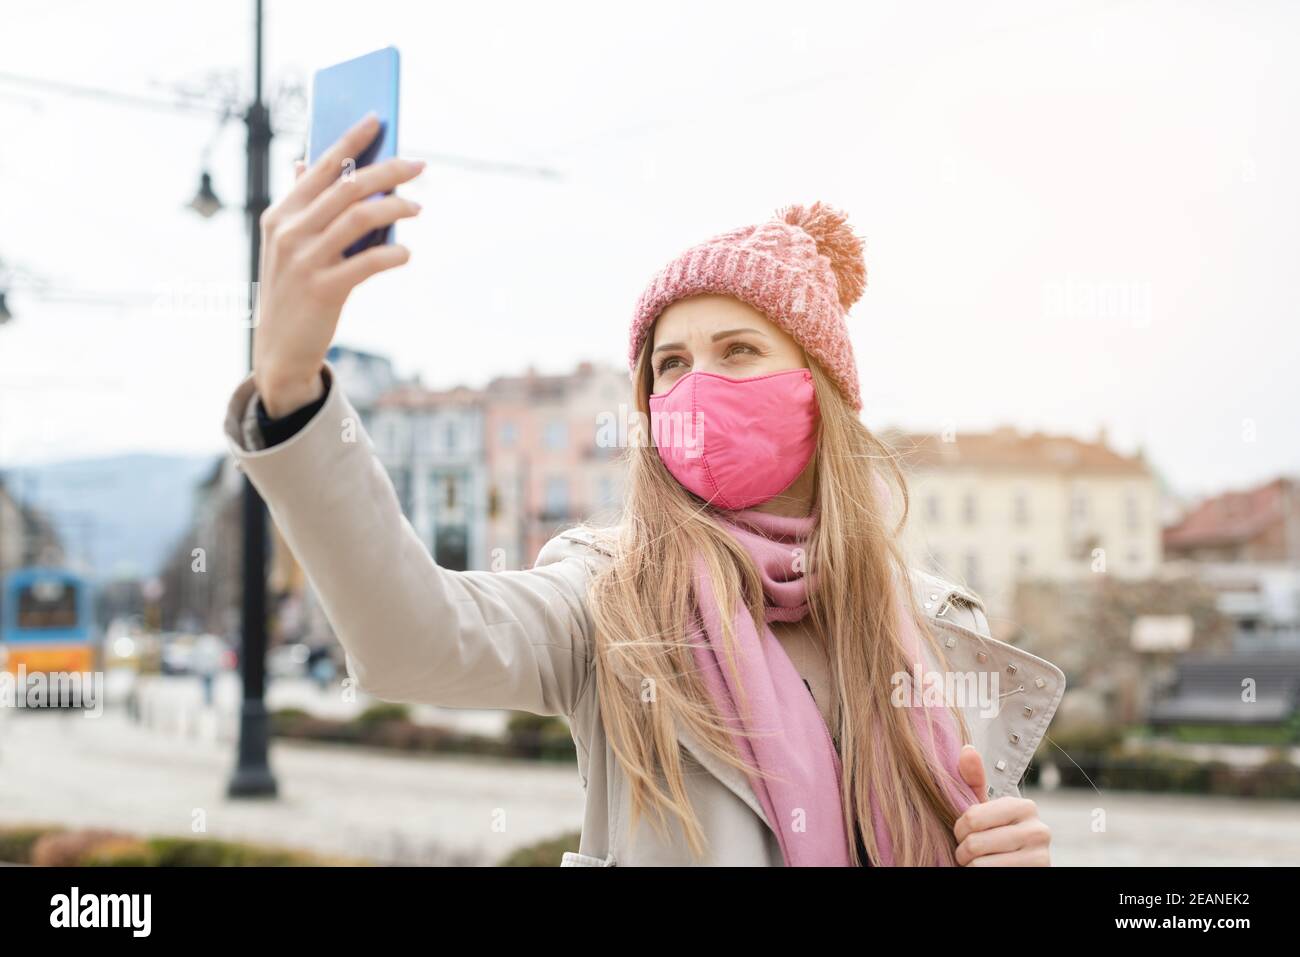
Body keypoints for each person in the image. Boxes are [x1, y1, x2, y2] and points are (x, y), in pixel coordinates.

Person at [222, 113, 1062, 866]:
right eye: (671, 364)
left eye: (738, 351)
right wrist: (293, 385)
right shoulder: (611, 599)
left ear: (821, 389)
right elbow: (417, 637)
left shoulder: (940, 630)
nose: (698, 385)